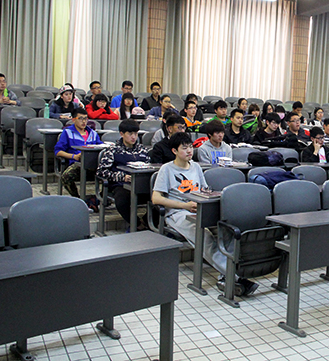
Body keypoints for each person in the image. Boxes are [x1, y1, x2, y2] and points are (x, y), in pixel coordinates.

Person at [151, 132, 258, 296]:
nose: (189, 151)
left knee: (228, 230)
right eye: (184, 148)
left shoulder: (195, 167)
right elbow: (156, 198)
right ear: (174, 151)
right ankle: (235, 276)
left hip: (199, 209)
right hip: (178, 214)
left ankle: (226, 274)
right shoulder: (167, 169)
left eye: (190, 147)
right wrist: (185, 205)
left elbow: (204, 190)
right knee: (205, 237)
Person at [96, 119, 150, 229]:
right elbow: (101, 172)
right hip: (121, 185)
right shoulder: (112, 150)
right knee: (121, 201)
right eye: (130, 134)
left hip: (141, 184)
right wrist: (122, 177)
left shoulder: (143, 150)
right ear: (122, 134)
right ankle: (136, 224)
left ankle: (147, 222)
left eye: (135, 134)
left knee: (162, 197)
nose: (134, 137)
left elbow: (149, 166)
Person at [54, 108, 102, 198]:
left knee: (112, 173)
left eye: (85, 119)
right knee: (66, 177)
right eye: (80, 119)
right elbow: (58, 152)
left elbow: (100, 146)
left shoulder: (93, 133)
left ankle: (100, 198)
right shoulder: (67, 132)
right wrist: (74, 156)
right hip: (78, 164)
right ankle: (77, 198)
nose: (84, 122)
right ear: (73, 120)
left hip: (94, 164)